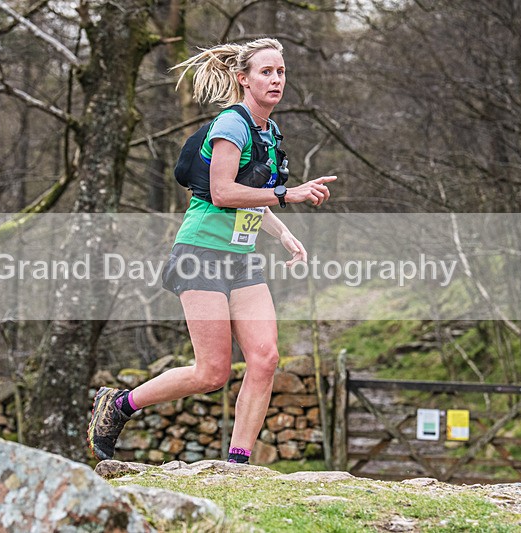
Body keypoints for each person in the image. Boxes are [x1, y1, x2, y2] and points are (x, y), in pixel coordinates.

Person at [87, 38, 336, 464]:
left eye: (280, 72)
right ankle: (119, 405)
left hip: (242, 259)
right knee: (212, 373)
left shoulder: (270, 133)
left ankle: (237, 464)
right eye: (265, 72)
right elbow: (221, 192)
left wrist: (280, 234)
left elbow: (252, 195)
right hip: (200, 252)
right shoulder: (231, 125)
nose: (276, 80)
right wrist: (288, 194)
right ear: (243, 79)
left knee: (265, 357)